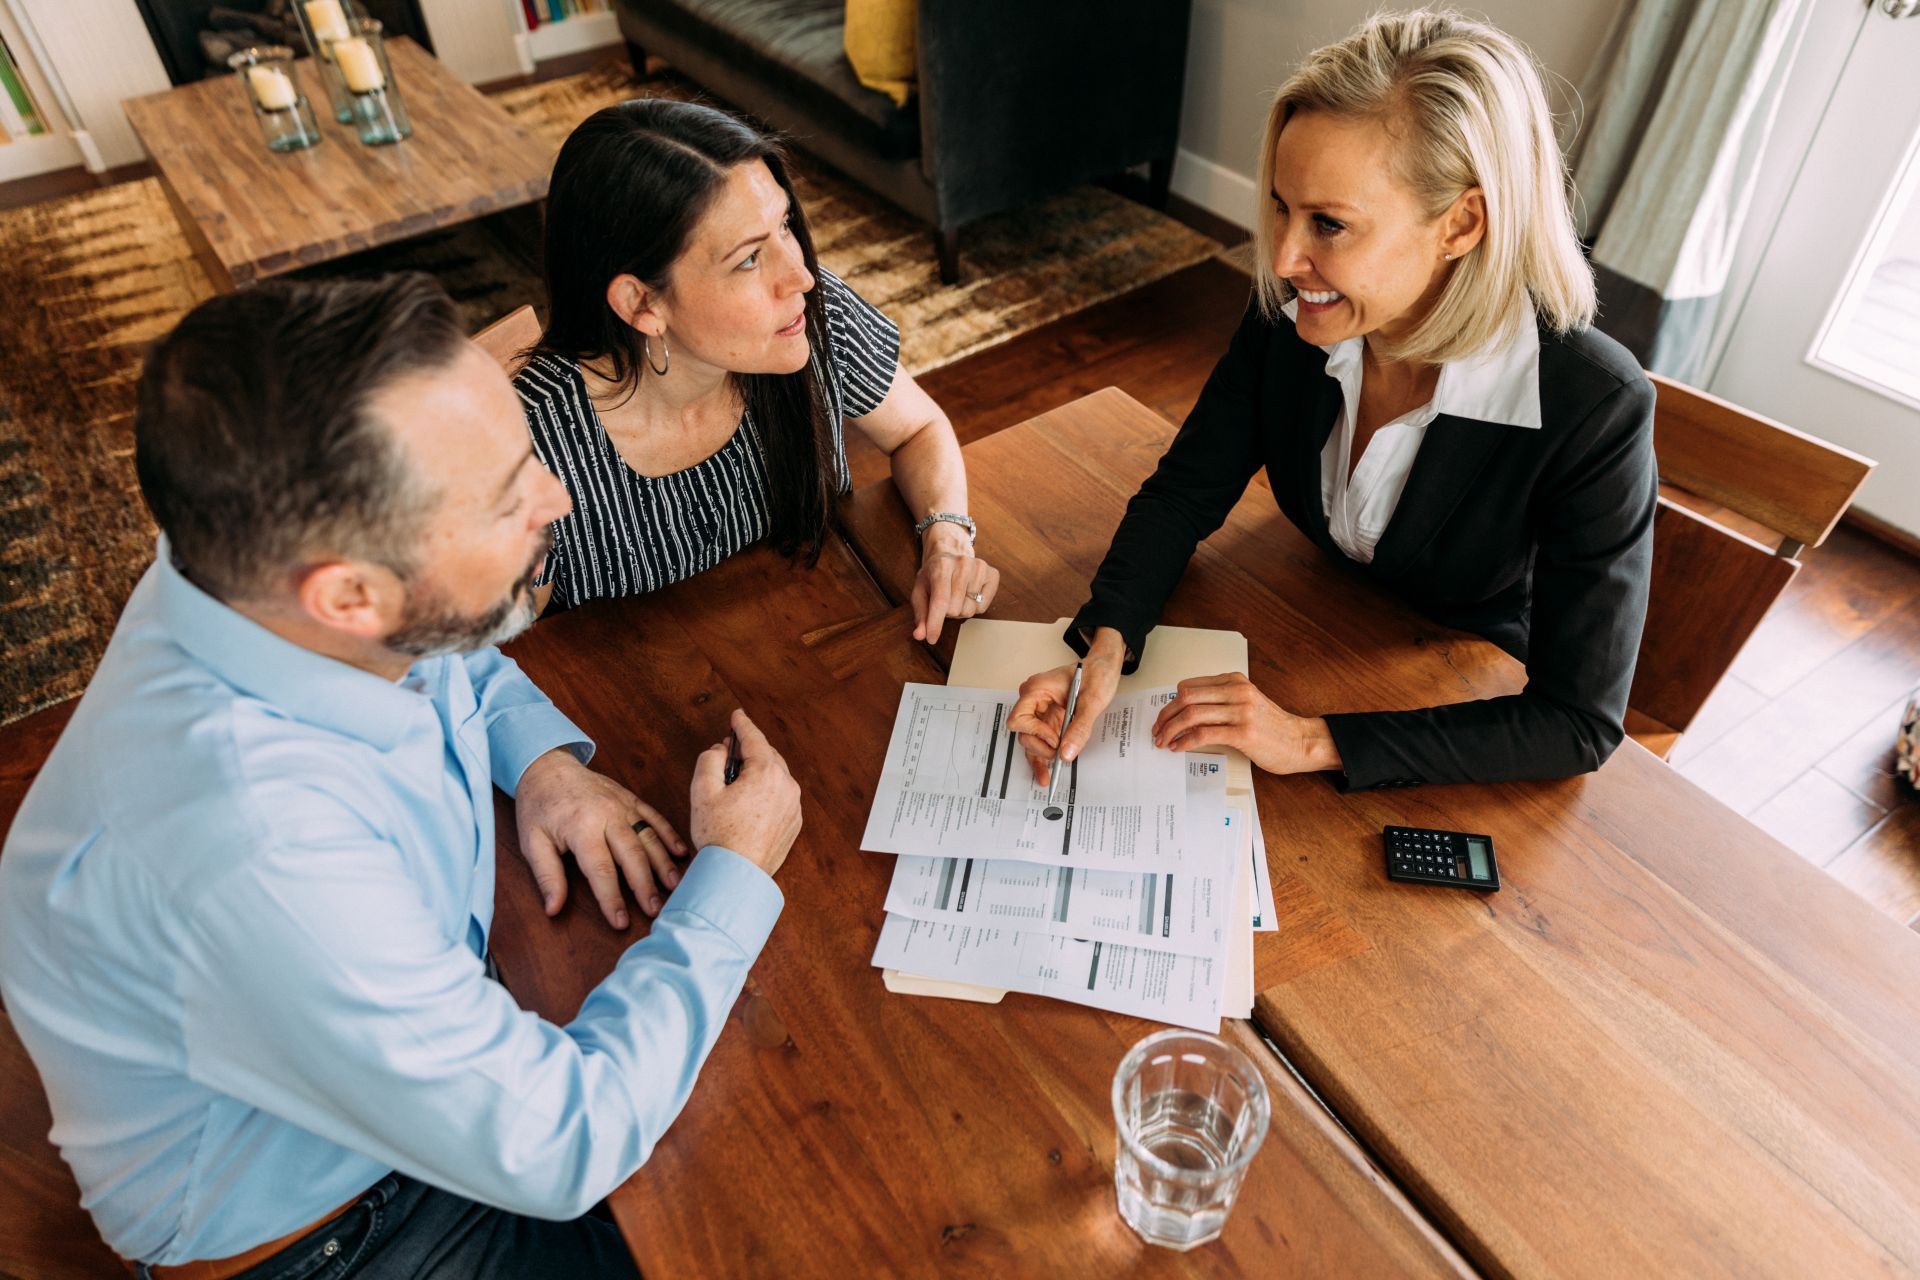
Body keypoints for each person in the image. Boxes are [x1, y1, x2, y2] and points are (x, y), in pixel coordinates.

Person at [0, 275, 803, 1279]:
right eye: (507, 493)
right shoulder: (257, 845)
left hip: (404, 1055)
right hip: (338, 1228)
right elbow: (565, 1140)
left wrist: (544, 759)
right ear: (343, 592)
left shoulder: (244, 563)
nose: (558, 493)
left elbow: (434, 635)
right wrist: (733, 866)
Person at [1012, 9, 1657, 791]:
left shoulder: (1597, 408)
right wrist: (1107, 637)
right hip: (1306, 617)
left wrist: (1312, 740)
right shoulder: (1295, 318)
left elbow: (1577, 723)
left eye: (1329, 224)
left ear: (1461, 222)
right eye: (1281, 206)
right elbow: (1187, 490)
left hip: (1445, 695)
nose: (1284, 258)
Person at [517, 98, 998, 642]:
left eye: (785, 225)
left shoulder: (808, 318)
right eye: (748, 258)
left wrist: (947, 539)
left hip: (825, 644)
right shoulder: (527, 451)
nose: (801, 276)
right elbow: (500, 661)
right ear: (640, 304)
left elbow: (918, 429)